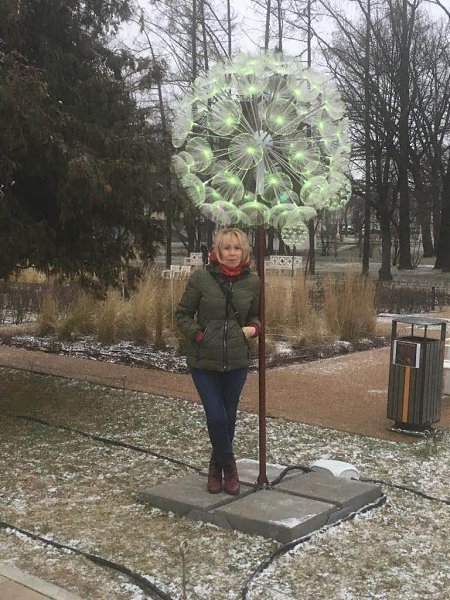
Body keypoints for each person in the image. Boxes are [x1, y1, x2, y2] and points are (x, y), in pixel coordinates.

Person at [176, 228, 260, 495]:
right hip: (204, 361)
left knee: (228, 417)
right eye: (227, 248)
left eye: (237, 248)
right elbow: (183, 313)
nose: (232, 253)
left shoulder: (253, 282)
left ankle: (216, 466)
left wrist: (254, 329)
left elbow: (256, 316)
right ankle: (229, 466)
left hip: (236, 361)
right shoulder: (201, 278)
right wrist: (199, 335)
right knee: (216, 415)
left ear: (244, 251)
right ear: (217, 251)